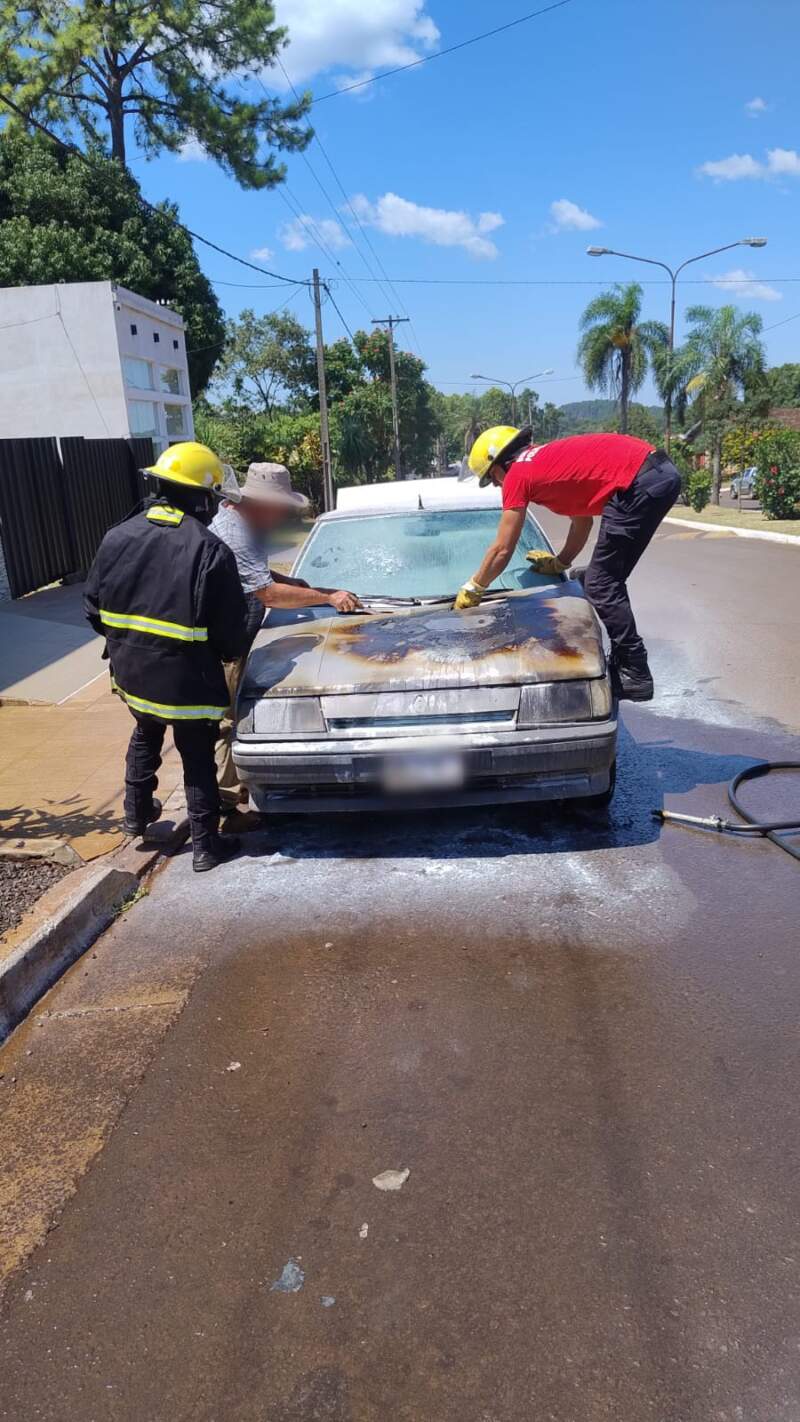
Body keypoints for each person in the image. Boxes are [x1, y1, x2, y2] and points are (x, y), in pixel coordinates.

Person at [84, 441, 250, 872]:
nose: (213, 507)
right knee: (196, 755)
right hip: (187, 681)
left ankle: (135, 815)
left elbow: (92, 607)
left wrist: (129, 646)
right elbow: (231, 635)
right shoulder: (210, 550)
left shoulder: (116, 535)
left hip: (134, 674)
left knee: (146, 730)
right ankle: (205, 846)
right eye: (211, 497)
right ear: (199, 496)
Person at [454, 427, 681, 701]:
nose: (496, 485)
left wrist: (475, 586)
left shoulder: (518, 475)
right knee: (593, 578)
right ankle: (628, 664)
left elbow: (502, 548)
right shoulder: (544, 465)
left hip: (638, 482)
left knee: (601, 584)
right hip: (657, 474)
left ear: (500, 463)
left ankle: (635, 672)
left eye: (491, 477)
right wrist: (561, 562)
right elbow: (582, 521)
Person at [209, 461, 361, 804]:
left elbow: (261, 578)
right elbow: (269, 595)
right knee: (225, 724)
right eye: (280, 510)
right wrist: (327, 597)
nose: (281, 519)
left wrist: (303, 586)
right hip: (224, 649)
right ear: (263, 504)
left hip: (236, 638)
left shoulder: (246, 526)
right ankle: (227, 807)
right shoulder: (234, 531)